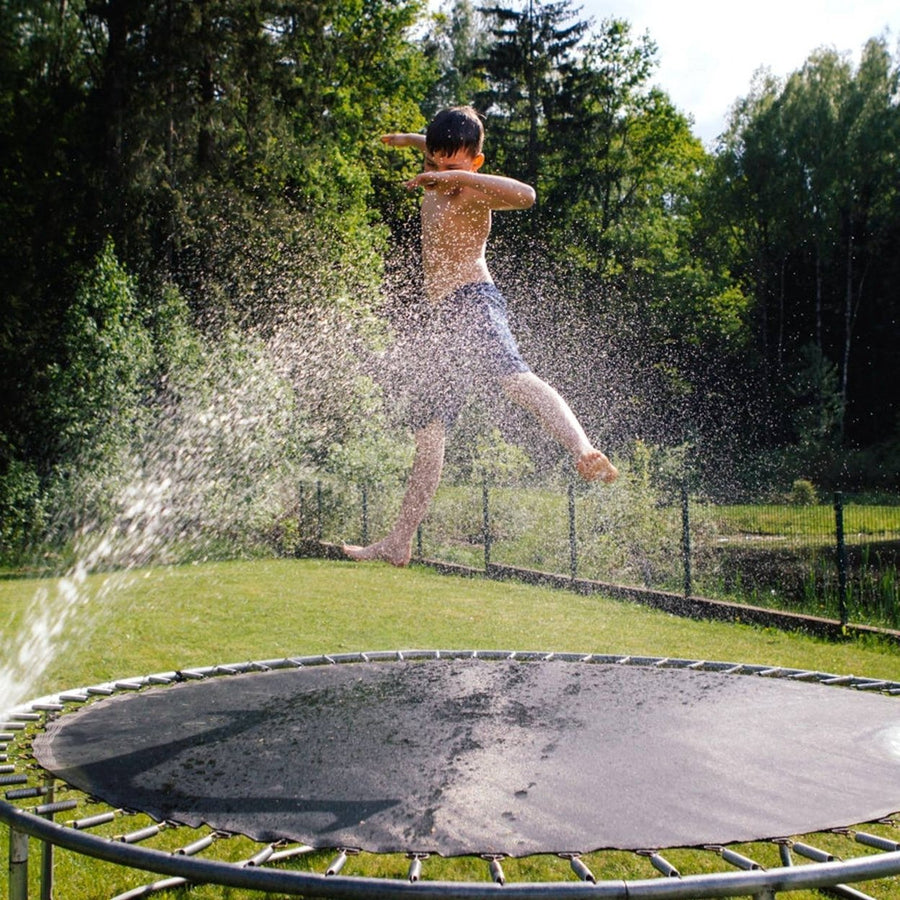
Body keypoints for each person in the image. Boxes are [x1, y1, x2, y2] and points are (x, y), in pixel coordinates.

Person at [344, 106, 617, 566]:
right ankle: (398, 543)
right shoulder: (437, 171)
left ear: (475, 162)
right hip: (440, 323)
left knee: (513, 380)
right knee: (429, 433)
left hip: (473, 302)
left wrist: (462, 177)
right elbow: (435, 152)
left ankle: (583, 449)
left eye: (453, 166)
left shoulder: (473, 192)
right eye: (434, 163)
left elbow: (526, 194)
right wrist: (412, 143)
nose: (440, 175)